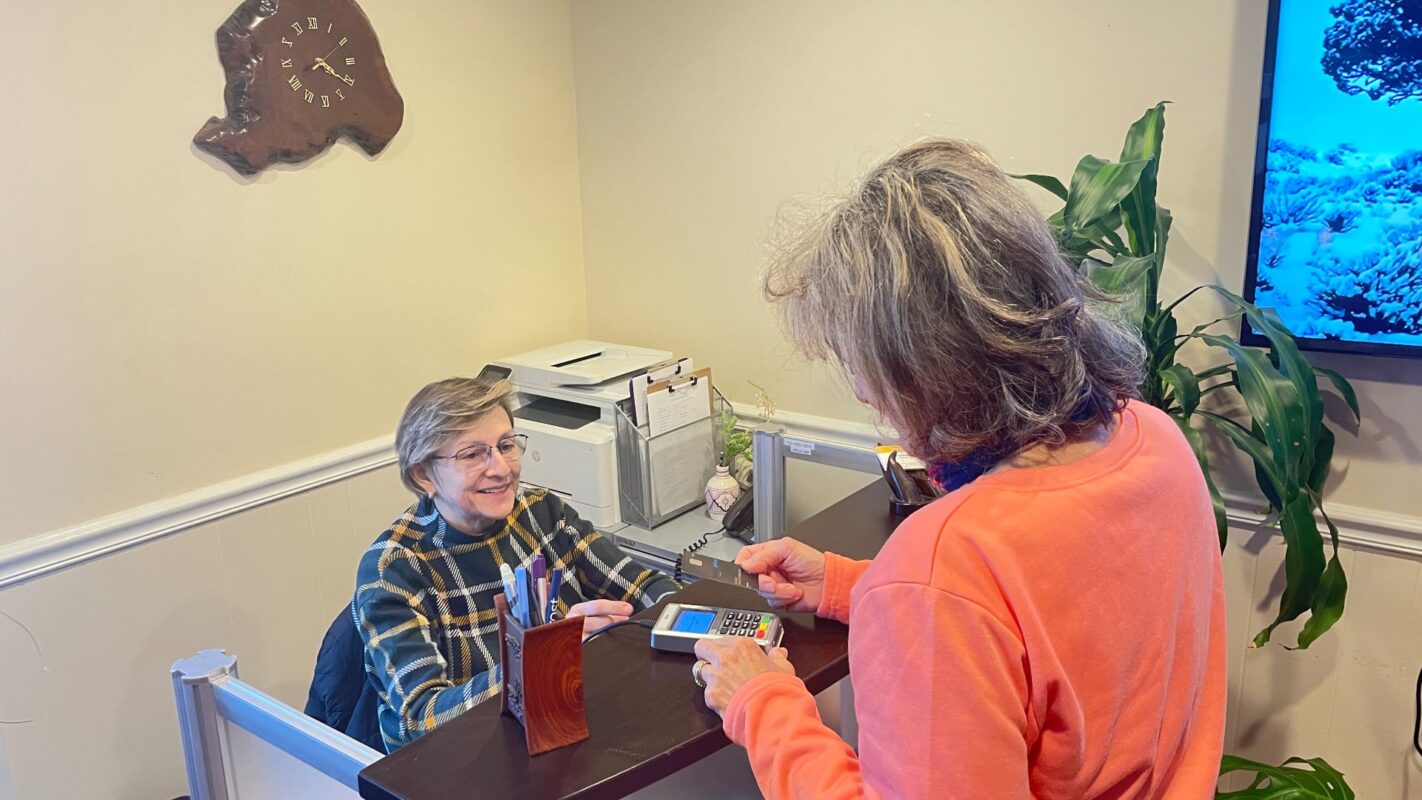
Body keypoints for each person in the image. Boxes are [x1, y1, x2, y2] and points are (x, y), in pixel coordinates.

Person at [693, 139, 1227, 798]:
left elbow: (965, 603)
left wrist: (764, 702)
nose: (863, 394)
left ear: (925, 368)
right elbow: (1038, 626)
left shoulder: (942, 570)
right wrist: (848, 587)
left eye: (860, 363)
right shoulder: (1157, 441)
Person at [354, 376, 679, 751]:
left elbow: (645, 586)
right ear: (423, 475)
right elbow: (422, 718)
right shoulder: (393, 570)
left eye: (506, 445)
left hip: (557, 727)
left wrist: (681, 621)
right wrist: (546, 655)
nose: (501, 469)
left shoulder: (542, 512)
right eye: (472, 454)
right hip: (460, 763)